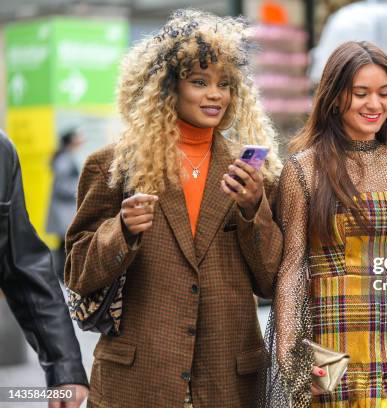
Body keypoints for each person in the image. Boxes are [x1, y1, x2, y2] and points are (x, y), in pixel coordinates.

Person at [64, 10, 283, 408]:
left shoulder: (253, 171)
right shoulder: (113, 165)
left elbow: (271, 282)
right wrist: (122, 230)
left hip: (227, 383)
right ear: (167, 88)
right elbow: (78, 273)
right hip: (139, 380)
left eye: (224, 84)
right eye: (199, 82)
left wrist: (255, 210)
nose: (215, 95)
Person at [263, 42, 387, 407]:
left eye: (384, 93)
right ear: (336, 98)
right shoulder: (303, 170)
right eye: (361, 93)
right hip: (334, 347)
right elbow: (291, 267)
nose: (375, 104)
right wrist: (289, 353)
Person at [0, 130, 89, 408]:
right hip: (64, 214)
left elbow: (23, 264)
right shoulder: (65, 159)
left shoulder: (2, 152)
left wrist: (65, 367)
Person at [47, 129, 84, 281]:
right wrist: (80, 189)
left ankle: (60, 274)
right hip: (63, 211)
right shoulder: (64, 159)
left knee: (63, 243)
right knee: (64, 244)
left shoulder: (65, 156)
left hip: (63, 210)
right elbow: (62, 186)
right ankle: (60, 275)